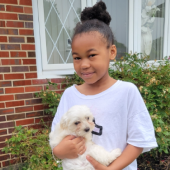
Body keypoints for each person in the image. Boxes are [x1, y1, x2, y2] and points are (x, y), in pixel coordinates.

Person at [50, 1, 158, 170]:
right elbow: (57, 136)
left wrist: (112, 168)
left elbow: (139, 140)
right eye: (77, 58)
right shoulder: (69, 95)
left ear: (112, 52)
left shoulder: (126, 92)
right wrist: (58, 151)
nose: (84, 64)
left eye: (92, 55)